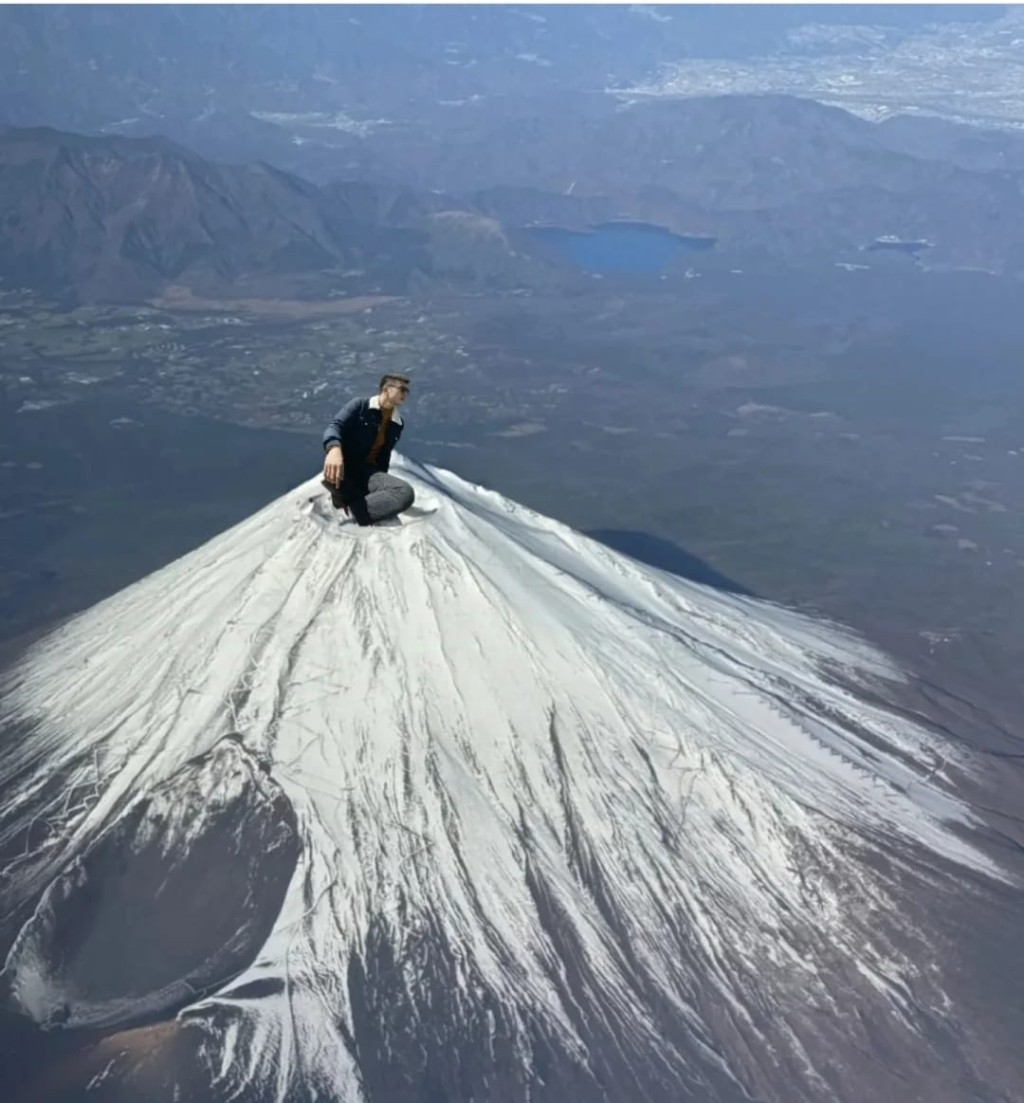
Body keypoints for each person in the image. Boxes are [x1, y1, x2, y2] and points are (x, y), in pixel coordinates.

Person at [321, 375, 415, 526]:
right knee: (404, 492)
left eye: (407, 391)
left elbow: (384, 455)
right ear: (386, 389)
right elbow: (335, 426)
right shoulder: (360, 406)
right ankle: (350, 516)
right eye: (402, 389)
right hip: (347, 469)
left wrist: (381, 485)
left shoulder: (397, 423)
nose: (405, 394)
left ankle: (351, 503)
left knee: (402, 494)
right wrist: (333, 449)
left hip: (369, 473)